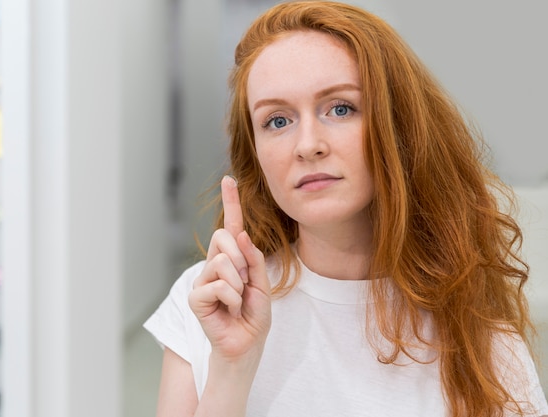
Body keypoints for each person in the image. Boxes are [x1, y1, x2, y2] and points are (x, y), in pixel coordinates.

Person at [144, 2, 548, 416]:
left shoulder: (477, 330)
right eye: (277, 121)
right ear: (255, 155)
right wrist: (232, 368)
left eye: (340, 108)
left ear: (400, 126)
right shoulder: (206, 303)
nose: (308, 145)